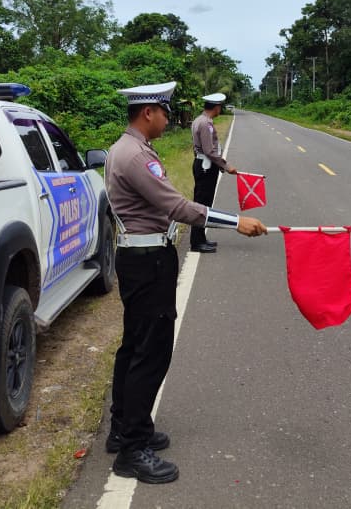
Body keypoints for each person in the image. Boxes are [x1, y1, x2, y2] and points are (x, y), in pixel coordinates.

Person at [103, 81, 267, 484]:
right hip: (147, 262)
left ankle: (123, 427)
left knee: (134, 346)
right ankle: (132, 449)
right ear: (147, 113)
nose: (168, 118)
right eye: (164, 112)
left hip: (139, 257)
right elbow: (175, 206)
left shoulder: (126, 149)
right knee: (151, 352)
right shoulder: (136, 156)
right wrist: (234, 222)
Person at [189, 92, 237, 252]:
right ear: (216, 107)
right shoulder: (205, 124)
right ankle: (196, 242)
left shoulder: (200, 120)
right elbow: (210, 151)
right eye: (220, 106)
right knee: (202, 204)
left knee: (204, 204)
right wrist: (226, 165)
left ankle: (201, 238)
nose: (220, 109)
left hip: (203, 164)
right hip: (206, 166)